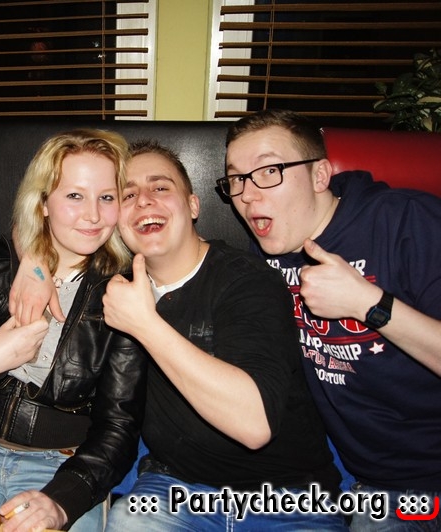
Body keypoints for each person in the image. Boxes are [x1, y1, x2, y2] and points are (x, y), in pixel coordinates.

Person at [92, 139, 344, 530]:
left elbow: (254, 425)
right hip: (173, 489)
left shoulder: (249, 281)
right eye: (128, 195)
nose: (144, 201)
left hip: (288, 497)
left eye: (160, 187)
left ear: (193, 205)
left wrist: (145, 324)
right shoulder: (115, 292)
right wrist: (35, 268)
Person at [0, 128, 147, 532]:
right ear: (43, 203)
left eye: (106, 197)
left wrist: (63, 500)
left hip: (64, 465)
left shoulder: (123, 292)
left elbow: (119, 426)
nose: (93, 215)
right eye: (74, 195)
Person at [223, 108, 441, 530]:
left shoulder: (407, 222)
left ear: (320, 175)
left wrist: (369, 304)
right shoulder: (264, 257)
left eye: (268, 171)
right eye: (237, 179)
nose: (247, 195)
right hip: (381, 489)